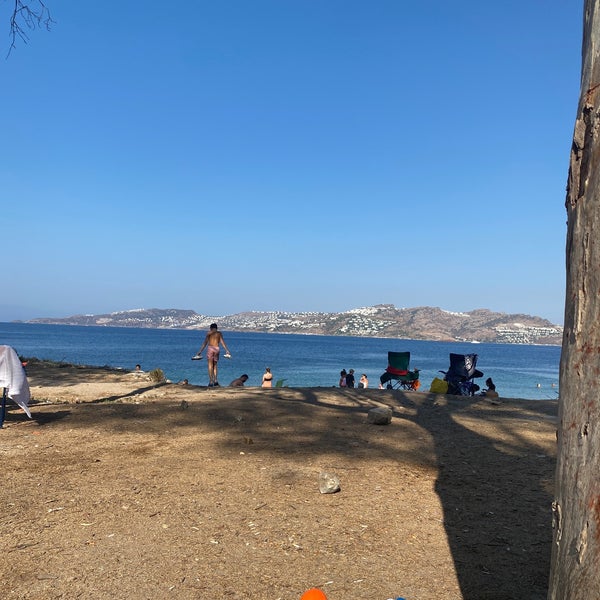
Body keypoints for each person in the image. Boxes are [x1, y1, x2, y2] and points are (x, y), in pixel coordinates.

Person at [192, 323, 231, 387]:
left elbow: (205, 343)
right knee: (215, 365)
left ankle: (210, 381)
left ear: (210, 328)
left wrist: (200, 352)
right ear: (216, 328)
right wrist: (226, 350)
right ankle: (215, 380)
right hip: (217, 348)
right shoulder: (219, 333)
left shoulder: (209, 333)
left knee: (210, 365)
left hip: (210, 348)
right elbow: (222, 342)